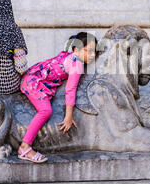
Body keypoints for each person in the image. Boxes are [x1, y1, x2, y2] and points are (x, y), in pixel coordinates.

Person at [18, 32, 97, 163]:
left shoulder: (68, 56)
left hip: (32, 76)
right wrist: (69, 116)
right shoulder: (76, 64)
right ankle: (25, 147)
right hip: (33, 83)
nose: (93, 55)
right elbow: (70, 90)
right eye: (88, 51)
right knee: (45, 111)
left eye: (94, 52)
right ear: (76, 49)